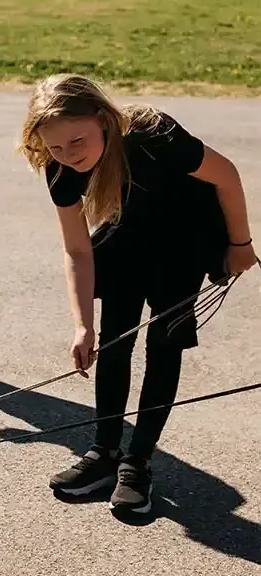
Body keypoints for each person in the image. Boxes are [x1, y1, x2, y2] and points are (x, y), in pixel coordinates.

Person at [19, 74, 256, 516]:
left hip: (185, 238)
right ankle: (104, 452)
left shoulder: (154, 136)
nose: (69, 155)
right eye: (56, 147)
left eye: (77, 141)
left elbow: (227, 176)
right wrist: (82, 325)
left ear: (103, 120)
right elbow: (77, 250)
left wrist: (240, 245)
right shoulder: (60, 169)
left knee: (163, 344)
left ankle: (138, 462)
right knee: (113, 342)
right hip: (127, 236)